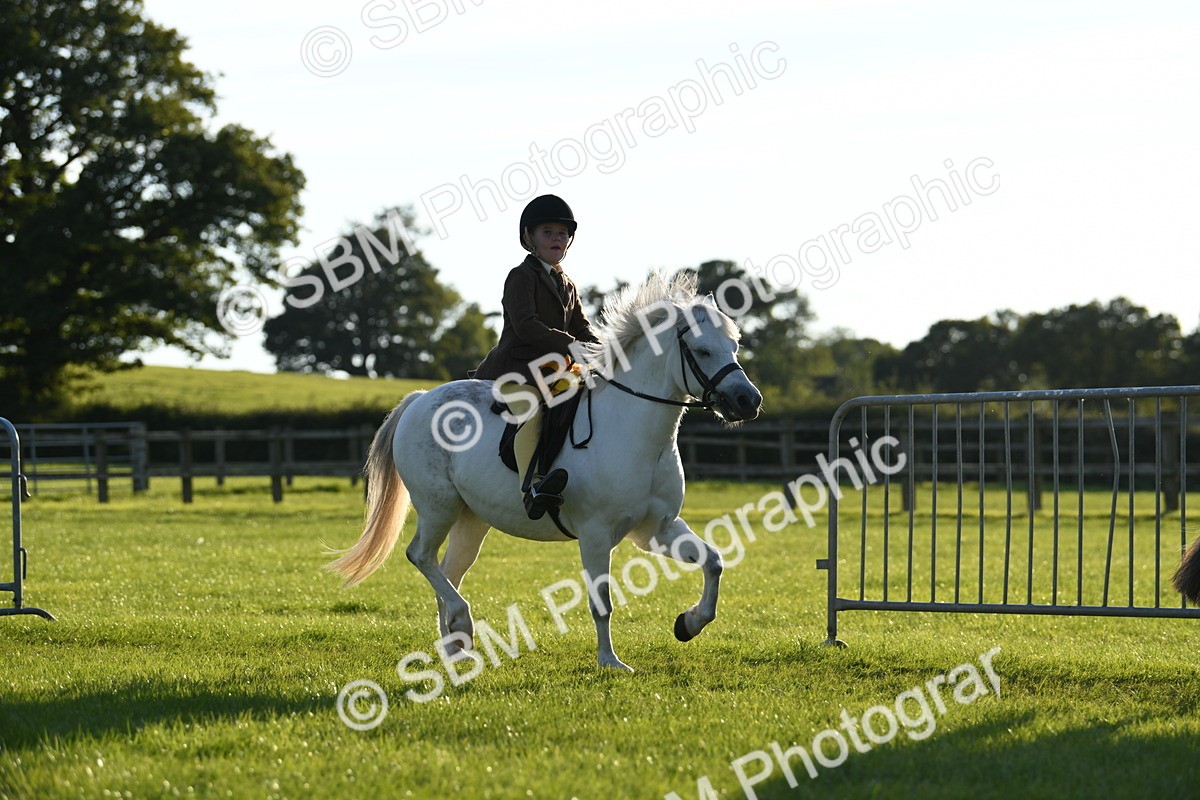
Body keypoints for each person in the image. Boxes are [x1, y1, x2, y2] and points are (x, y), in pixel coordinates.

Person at [472, 194, 600, 519]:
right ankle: (530, 489)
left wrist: (605, 350)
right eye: (548, 232)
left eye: (562, 233)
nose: (557, 238)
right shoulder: (520, 276)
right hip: (516, 372)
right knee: (530, 413)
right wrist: (572, 346)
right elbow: (527, 325)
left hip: (556, 372)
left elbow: (582, 328)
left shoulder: (568, 284)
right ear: (529, 237)